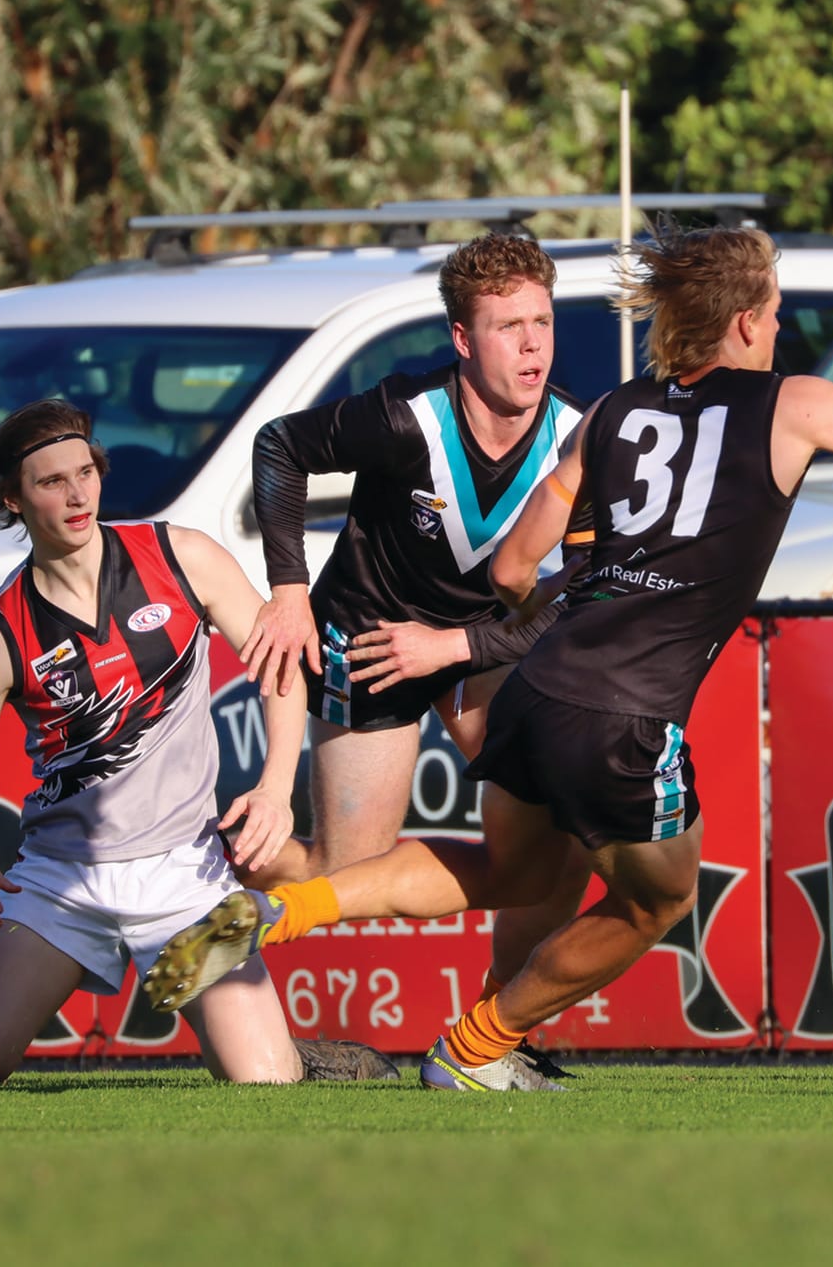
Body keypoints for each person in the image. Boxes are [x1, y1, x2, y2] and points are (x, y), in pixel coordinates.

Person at [141, 215, 833, 1091]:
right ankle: (475, 1046)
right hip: (618, 713)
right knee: (657, 901)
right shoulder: (788, 405)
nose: (777, 327)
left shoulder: (610, 415)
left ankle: (285, 912)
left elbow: (518, 560)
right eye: (773, 310)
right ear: (741, 321)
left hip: (531, 691)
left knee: (520, 879)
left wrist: (595, 581)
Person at [0, 398, 391, 1085]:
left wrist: (276, 788)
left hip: (189, 878)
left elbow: (283, 666)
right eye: (51, 482)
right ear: (13, 500)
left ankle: (294, 1056)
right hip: (58, 884)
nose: (77, 494)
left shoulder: (179, 555)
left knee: (264, 1083)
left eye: (87, 472)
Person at [234, 231, 593, 1080]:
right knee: (346, 867)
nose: (533, 343)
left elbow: (581, 593)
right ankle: (203, 873)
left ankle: (498, 1036)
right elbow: (278, 447)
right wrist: (287, 587)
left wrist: (458, 644)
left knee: (554, 847)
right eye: (509, 326)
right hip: (370, 637)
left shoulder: (582, 434)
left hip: (479, 644)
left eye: (542, 320)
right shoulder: (406, 417)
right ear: (463, 340)